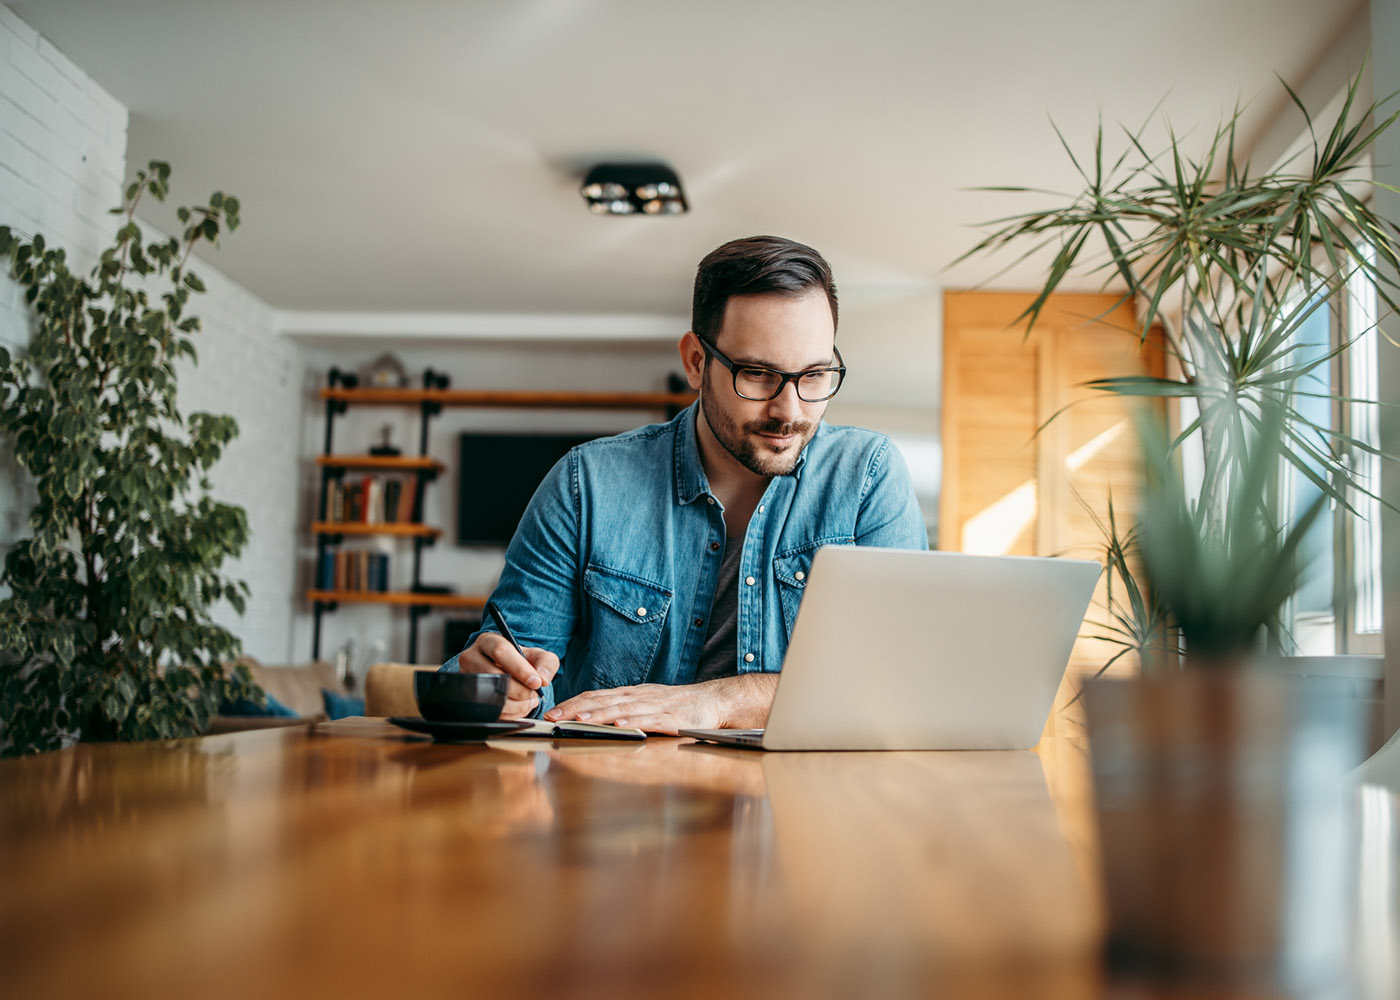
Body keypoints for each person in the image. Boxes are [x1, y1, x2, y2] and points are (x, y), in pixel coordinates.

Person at [442, 235, 927, 733]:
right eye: (758, 374)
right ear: (696, 361)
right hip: (611, 800)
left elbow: (902, 680)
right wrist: (493, 685)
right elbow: (505, 671)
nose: (790, 410)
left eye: (815, 375)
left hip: (802, 803)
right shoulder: (585, 484)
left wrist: (718, 701)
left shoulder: (868, 476)